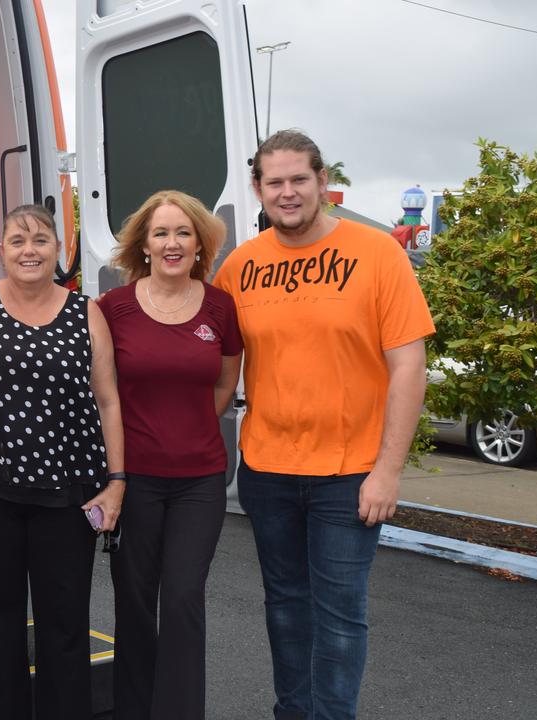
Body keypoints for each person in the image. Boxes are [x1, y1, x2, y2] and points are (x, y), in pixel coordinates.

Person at [212, 129, 434, 720]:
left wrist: (387, 473)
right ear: (258, 189)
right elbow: (210, 358)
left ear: (322, 184)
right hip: (267, 470)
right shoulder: (239, 266)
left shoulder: (377, 253)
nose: (287, 193)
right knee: (284, 607)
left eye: (299, 180)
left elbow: (409, 365)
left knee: (339, 616)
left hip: (350, 473)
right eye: (274, 182)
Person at [0, 204, 126, 720]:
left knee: (64, 625)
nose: (29, 250)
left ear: (58, 250)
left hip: (69, 497)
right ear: (2, 250)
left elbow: (109, 399)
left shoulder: (84, 311)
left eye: (41, 240)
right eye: (18, 240)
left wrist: (116, 481)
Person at [98, 190, 242, 720]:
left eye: (183, 233)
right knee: (134, 602)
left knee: (182, 598)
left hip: (199, 480)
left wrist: (191, 425)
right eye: (161, 233)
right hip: (132, 480)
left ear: (200, 243)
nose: (172, 242)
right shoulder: (112, 309)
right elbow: (102, 391)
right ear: (145, 244)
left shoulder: (220, 306)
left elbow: (226, 379)